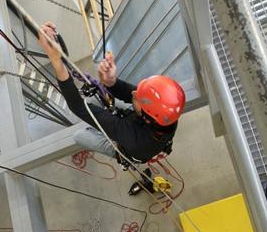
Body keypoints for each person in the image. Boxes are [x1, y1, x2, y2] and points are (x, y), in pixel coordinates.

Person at [37, 23, 186, 170]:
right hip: (137, 127)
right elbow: (129, 93)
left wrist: (55, 60)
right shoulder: (165, 114)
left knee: (79, 136)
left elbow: (77, 106)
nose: (134, 92)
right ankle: (105, 122)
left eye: (138, 97)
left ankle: (110, 141)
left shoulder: (133, 138)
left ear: (146, 116)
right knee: (96, 101)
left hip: (131, 145)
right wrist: (110, 81)